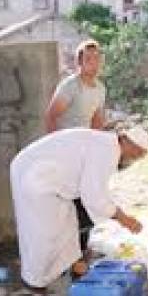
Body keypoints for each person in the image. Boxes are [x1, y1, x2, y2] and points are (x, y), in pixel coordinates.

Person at [10, 126, 148, 296]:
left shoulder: (106, 144)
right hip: (35, 178)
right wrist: (124, 219)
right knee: (45, 237)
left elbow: (92, 191)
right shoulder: (107, 151)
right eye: (138, 154)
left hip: (43, 176)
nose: (134, 160)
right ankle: (35, 291)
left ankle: (71, 273)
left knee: (68, 229)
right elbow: (94, 196)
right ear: (129, 143)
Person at [43, 40, 107, 257]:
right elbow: (51, 116)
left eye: (97, 58)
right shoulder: (70, 86)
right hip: (65, 152)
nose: (94, 63)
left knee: (87, 198)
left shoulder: (100, 88)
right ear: (79, 62)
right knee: (67, 203)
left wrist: (98, 150)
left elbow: (97, 120)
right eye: (89, 59)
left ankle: (82, 248)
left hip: (85, 152)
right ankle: (64, 252)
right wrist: (55, 149)